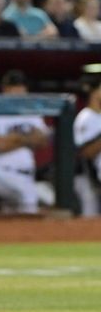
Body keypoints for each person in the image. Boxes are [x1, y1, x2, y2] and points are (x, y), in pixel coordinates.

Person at [0, 70, 50, 214]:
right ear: (5, 89)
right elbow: (1, 145)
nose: (18, 90)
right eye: (13, 87)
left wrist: (16, 137)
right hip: (1, 172)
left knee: (11, 217)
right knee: (29, 196)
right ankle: (31, 235)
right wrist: (28, 138)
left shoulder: (31, 111)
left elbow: (43, 141)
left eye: (21, 86)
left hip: (28, 175)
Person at [73, 76, 101, 217]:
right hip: (87, 177)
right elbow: (84, 153)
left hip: (97, 174)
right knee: (89, 217)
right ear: (94, 93)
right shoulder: (85, 118)